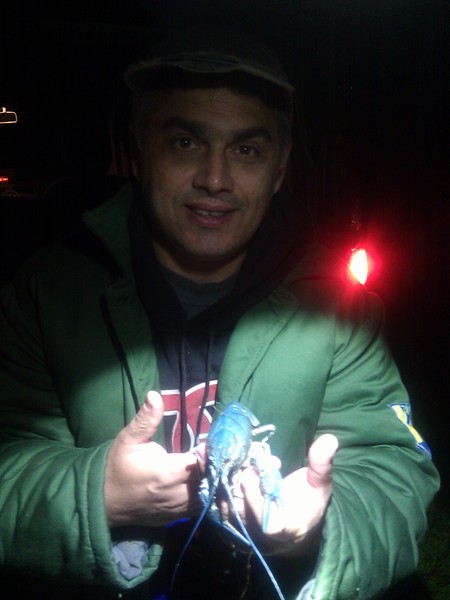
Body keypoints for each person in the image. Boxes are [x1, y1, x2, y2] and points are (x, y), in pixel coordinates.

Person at [0, 25, 439, 600]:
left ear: (279, 169)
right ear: (138, 151)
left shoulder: (339, 306)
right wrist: (98, 494)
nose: (214, 178)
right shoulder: (44, 290)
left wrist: (317, 529)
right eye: (185, 142)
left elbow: (395, 472)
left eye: (246, 150)